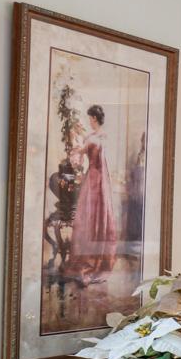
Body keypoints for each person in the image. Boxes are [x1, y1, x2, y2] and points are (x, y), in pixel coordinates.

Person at [68, 105, 120, 278]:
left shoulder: (100, 137)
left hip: (99, 179)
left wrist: (79, 150)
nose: (89, 121)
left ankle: (97, 256)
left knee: (98, 213)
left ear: (95, 119)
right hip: (92, 177)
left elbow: (100, 157)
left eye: (90, 118)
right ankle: (88, 253)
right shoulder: (90, 137)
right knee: (88, 215)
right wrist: (75, 151)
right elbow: (80, 155)